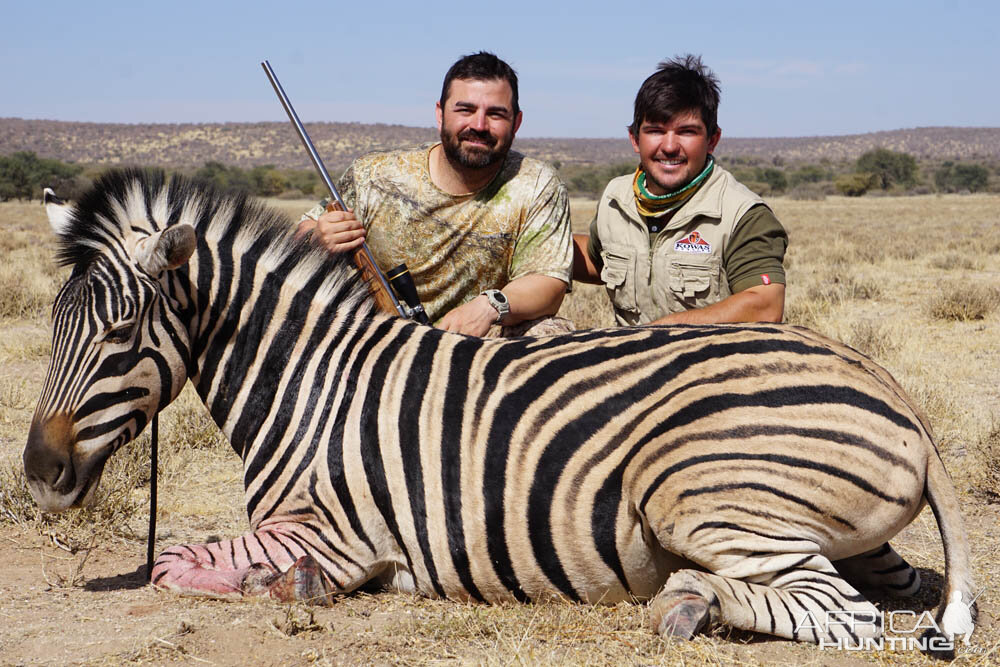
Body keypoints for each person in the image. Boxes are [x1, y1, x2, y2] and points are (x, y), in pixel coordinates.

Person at [299, 52, 573, 337]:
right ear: (440, 113)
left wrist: (489, 306)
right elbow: (302, 231)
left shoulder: (537, 183)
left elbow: (547, 283)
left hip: (482, 342)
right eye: (465, 110)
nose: (479, 125)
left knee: (551, 333)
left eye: (495, 114)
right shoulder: (374, 175)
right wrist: (317, 237)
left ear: (516, 123)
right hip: (375, 339)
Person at [572, 55, 787, 326]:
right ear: (635, 139)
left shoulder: (741, 213)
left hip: (714, 364)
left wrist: (661, 333)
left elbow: (765, 306)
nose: (670, 146)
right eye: (655, 131)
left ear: (712, 140)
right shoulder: (617, 197)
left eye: (686, 132)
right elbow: (596, 259)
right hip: (631, 364)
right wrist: (529, 245)